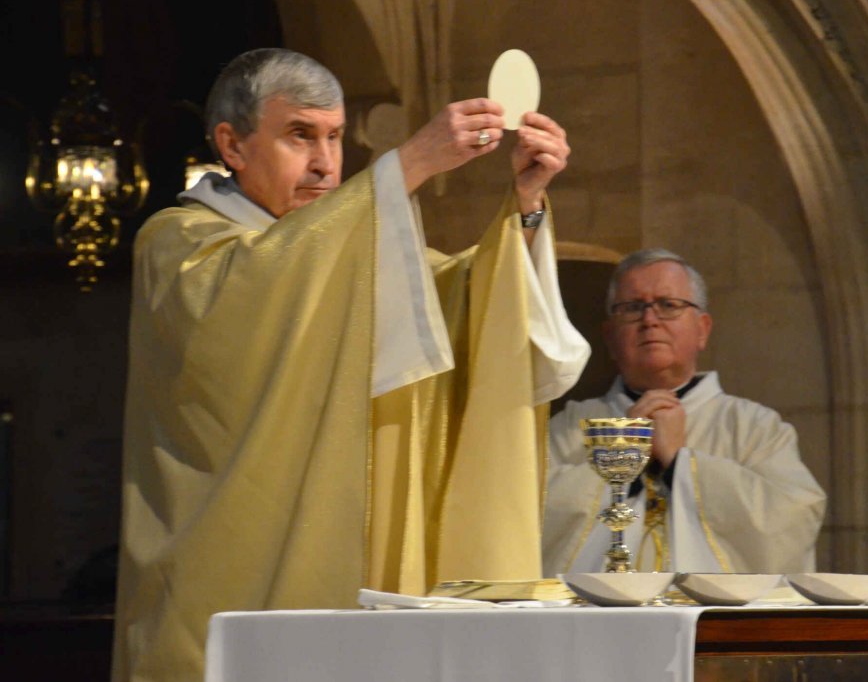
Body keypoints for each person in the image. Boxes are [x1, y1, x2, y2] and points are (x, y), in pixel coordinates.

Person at [113, 48, 589, 682]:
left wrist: (526, 207)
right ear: (231, 143)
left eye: (335, 138)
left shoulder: (359, 252)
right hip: (223, 586)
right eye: (299, 135)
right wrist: (411, 164)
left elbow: (463, 306)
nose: (324, 163)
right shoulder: (179, 243)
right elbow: (261, 290)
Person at [542, 248, 826, 574]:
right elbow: (522, 518)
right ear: (610, 336)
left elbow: (794, 517)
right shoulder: (571, 426)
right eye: (633, 308)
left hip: (712, 622)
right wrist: (627, 457)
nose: (650, 320)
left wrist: (681, 463)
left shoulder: (754, 428)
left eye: (668, 305)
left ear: (702, 329)